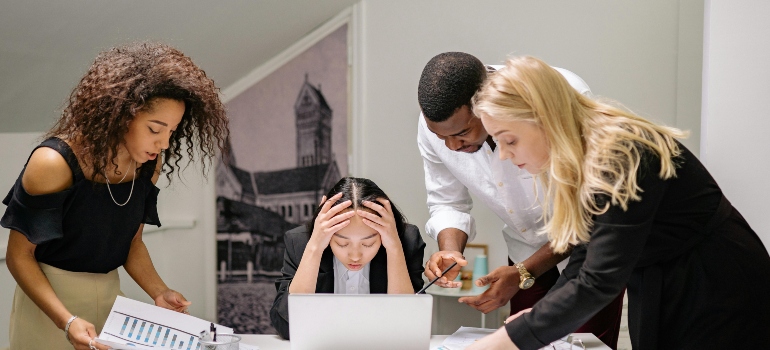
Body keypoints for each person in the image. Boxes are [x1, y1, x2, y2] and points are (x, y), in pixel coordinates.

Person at [467, 55, 770, 350]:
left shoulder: (621, 152)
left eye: (509, 140)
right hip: (661, 276)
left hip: (716, 281)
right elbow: (585, 255)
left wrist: (511, 339)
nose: (504, 155)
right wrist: (536, 316)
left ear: (545, 118)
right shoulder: (584, 152)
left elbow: (597, 282)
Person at [2, 42, 229, 350]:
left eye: (172, 132)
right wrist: (66, 321)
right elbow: (19, 256)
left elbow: (131, 244)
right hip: (49, 307)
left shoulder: (149, 163)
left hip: (111, 303)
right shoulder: (53, 162)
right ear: (122, 115)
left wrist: (159, 292)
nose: (163, 143)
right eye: (155, 129)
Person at [417, 52, 622, 348]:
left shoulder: (562, 97)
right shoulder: (438, 122)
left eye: (462, 133)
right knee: (522, 340)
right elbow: (447, 200)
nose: (451, 146)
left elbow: (591, 216)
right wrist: (450, 252)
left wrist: (525, 271)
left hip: (589, 251)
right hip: (523, 249)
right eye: (440, 137)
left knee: (585, 343)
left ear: (487, 106)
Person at [270, 177, 426, 339]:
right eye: (342, 243)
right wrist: (315, 247)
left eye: (368, 244)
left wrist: (394, 248)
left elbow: (408, 328)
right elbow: (287, 326)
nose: (355, 256)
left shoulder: (406, 240)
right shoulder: (300, 242)